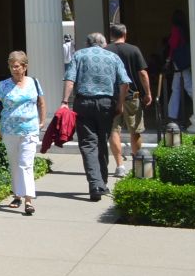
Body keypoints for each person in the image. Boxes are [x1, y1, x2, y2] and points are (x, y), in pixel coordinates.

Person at [63, 32, 131, 202]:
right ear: (105, 43)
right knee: (101, 141)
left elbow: (70, 79)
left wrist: (65, 101)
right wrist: (120, 104)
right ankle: (102, 182)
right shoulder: (113, 57)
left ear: (87, 43)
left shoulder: (79, 55)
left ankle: (96, 184)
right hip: (106, 103)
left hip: (84, 102)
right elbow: (125, 83)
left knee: (88, 144)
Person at [0, 51, 46, 216]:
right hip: (9, 130)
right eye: (11, 67)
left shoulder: (34, 82)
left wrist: (41, 121)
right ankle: (17, 195)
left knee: (26, 164)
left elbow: (41, 102)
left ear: (25, 67)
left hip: (29, 130)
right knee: (15, 163)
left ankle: (28, 200)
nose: (14, 70)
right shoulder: (3, 85)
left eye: (17, 66)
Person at [107, 23, 152, 175]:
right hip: (132, 96)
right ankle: (138, 163)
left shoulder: (106, 51)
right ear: (125, 34)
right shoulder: (134, 50)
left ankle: (120, 166)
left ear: (112, 35)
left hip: (112, 96)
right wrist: (148, 93)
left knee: (114, 130)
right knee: (135, 130)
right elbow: (143, 74)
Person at [166, 9, 192, 126]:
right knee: (176, 87)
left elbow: (173, 46)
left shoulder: (176, 29)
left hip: (179, 61)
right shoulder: (186, 29)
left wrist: (168, 60)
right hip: (185, 60)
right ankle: (172, 115)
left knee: (187, 85)